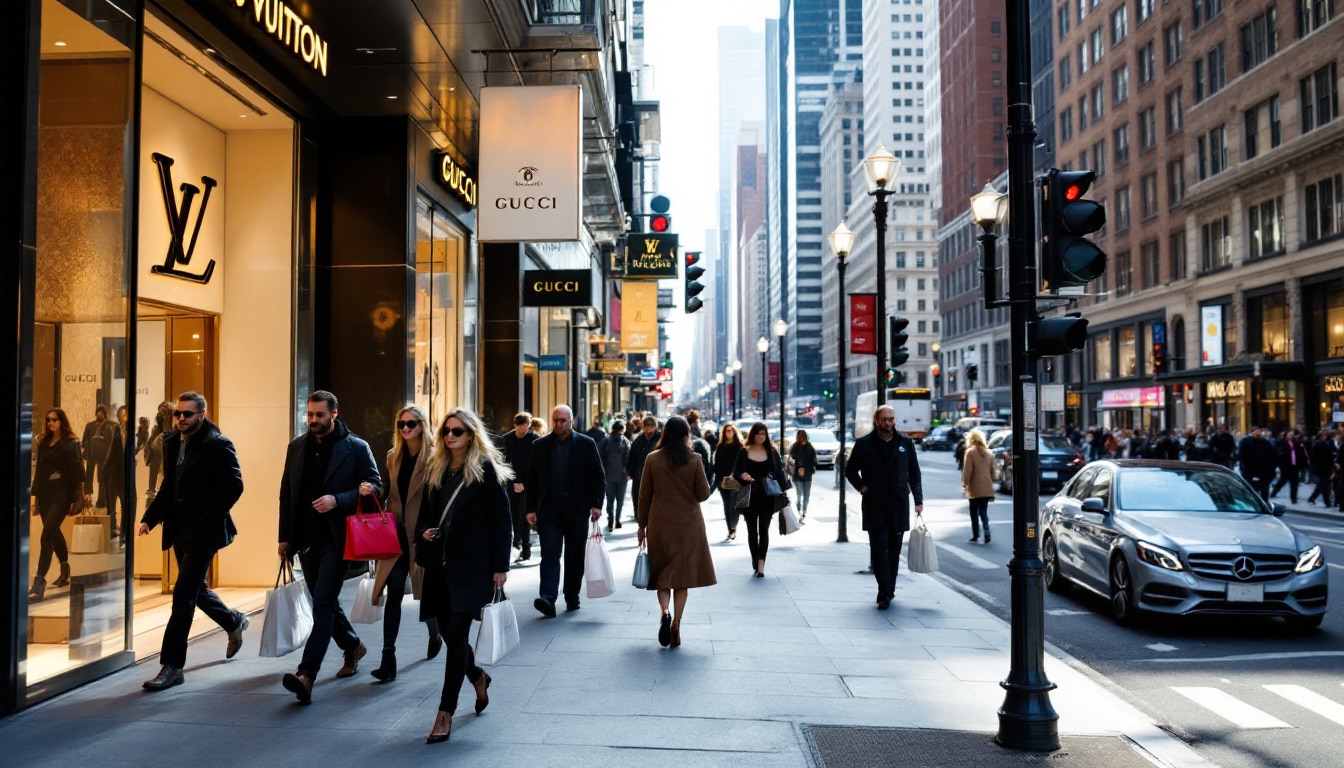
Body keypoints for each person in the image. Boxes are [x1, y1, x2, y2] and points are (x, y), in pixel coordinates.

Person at [138, 392, 249, 691]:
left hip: (205, 532)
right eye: (178, 414)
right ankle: (232, 621)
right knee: (195, 590)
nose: (181, 418)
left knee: (183, 595)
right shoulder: (172, 442)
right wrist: (150, 518)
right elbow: (168, 487)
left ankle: (172, 666)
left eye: (188, 414)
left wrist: (208, 518)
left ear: (202, 414)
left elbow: (234, 486)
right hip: (179, 529)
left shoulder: (218, 443)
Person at [277, 390, 382, 703]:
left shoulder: (356, 448)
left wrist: (341, 500)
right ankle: (352, 645)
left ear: (334, 413)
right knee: (323, 602)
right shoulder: (296, 447)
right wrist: (284, 537)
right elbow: (286, 494)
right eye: (309, 415)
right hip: (305, 541)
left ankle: (306, 674)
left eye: (319, 415)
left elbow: (376, 486)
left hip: (339, 539)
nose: (313, 421)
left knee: (322, 603)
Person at [415, 407, 513, 744]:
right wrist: (425, 530)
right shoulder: (436, 468)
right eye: (446, 431)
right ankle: (477, 676)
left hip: (473, 566)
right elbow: (425, 514)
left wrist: (501, 567)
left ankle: (445, 712)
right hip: (440, 566)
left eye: (458, 431)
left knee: (457, 632)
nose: (451, 437)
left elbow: (502, 522)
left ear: (471, 435)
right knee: (450, 635)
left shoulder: (484, 469)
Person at [366, 405, 441, 682]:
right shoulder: (392, 456)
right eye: (401, 425)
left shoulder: (435, 457)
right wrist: (372, 490)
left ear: (422, 425)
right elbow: (386, 491)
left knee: (425, 591)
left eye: (411, 424)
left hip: (421, 534)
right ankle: (388, 658)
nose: (406, 429)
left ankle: (435, 632)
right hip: (395, 532)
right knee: (395, 590)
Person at [636, 415, 715, 648]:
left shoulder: (652, 459)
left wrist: (641, 526)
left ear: (664, 433)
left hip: (659, 523)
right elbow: (703, 494)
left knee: (662, 575)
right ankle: (677, 624)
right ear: (685, 434)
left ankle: (664, 611)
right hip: (688, 525)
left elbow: (644, 495)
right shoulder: (694, 459)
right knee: (682, 579)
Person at [525, 404, 605, 617]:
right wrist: (530, 509)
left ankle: (572, 595)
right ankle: (548, 598)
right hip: (549, 510)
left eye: (563, 420)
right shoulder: (540, 445)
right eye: (555, 420)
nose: (559, 424)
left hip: (577, 510)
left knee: (574, 556)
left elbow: (598, 475)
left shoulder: (586, 444)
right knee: (550, 554)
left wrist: (597, 504)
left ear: (572, 421)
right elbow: (531, 480)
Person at [845, 405, 924, 610]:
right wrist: (862, 487)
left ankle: (889, 588)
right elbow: (850, 470)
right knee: (879, 549)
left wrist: (918, 500)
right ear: (876, 421)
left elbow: (914, 473)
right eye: (884, 419)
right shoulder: (864, 444)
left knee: (894, 550)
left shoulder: (905, 443)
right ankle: (884, 591)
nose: (888, 423)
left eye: (891, 419)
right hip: (874, 504)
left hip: (898, 504)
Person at [29, 409, 85, 602]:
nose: (50, 423)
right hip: (46, 495)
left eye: (54, 419)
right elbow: (40, 472)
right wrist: (35, 497)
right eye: (48, 420)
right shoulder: (44, 443)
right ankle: (64, 566)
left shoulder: (70, 443)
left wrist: (76, 496)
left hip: (61, 495)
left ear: (61, 421)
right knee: (51, 532)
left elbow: (76, 471)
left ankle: (39, 581)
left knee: (46, 535)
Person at [732, 422, 789, 578]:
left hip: (767, 496)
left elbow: (779, 474)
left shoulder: (771, 452)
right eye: (758, 433)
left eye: (763, 434)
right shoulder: (744, 451)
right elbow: (736, 471)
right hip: (749, 495)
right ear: (752, 434)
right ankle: (755, 561)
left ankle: (761, 562)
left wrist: (784, 491)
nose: (761, 436)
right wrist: (743, 475)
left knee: (764, 530)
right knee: (752, 531)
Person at [501, 412, 538, 563]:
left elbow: (536, 463)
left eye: (526, 426)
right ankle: (516, 542)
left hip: (529, 482)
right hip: (511, 481)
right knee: (513, 513)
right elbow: (504, 461)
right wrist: (515, 481)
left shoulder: (534, 439)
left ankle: (526, 547)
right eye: (521, 425)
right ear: (515, 425)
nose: (524, 429)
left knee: (526, 514)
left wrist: (524, 482)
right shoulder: (507, 439)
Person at [960, 430, 994, 544]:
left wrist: (964, 483)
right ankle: (987, 531)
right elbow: (993, 473)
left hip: (974, 487)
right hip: (987, 487)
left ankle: (975, 535)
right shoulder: (989, 453)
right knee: (983, 511)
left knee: (973, 512)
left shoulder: (970, 452)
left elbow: (967, 471)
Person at [712, 423, 745, 541]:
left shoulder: (739, 446)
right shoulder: (721, 446)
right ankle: (730, 529)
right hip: (723, 480)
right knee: (727, 507)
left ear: (734, 432)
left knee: (733, 505)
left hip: (735, 479)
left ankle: (733, 528)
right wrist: (720, 477)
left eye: (730, 430)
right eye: (726, 431)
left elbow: (743, 463)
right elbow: (716, 463)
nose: (728, 433)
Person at [625, 416, 660, 524]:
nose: (648, 430)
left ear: (655, 427)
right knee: (638, 496)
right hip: (640, 474)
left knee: (655, 498)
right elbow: (631, 458)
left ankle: (654, 518)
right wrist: (630, 472)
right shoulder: (638, 441)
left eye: (650, 427)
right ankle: (639, 517)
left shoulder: (660, 438)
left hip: (657, 474)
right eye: (646, 427)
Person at [103, 405, 130, 542]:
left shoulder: (134, 432)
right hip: (114, 474)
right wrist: (105, 472)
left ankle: (124, 534)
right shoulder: (116, 430)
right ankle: (113, 530)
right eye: (123, 415)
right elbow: (111, 453)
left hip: (125, 476)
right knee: (112, 506)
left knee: (125, 506)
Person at [82, 404, 115, 508]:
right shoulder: (90, 425)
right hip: (92, 453)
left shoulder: (110, 425)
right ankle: (88, 497)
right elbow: (85, 439)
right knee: (89, 476)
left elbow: (111, 441)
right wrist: (88, 447)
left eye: (101, 412)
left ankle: (102, 500)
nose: (99, 414)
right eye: (98, 412)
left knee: (102, 477)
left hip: (103, 455)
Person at [600, 420, 631, 531]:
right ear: (622, 429)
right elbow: (629, 459)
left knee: (610, 499)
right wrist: (628, 473)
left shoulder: (605, 441)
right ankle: (617, 519)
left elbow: (601, 458)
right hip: (622, 476)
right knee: (620, 500)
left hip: (608, 476)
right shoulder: (626, 441)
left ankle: (610, 520)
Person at [1270, 429, 1307, 504]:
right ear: (1286, 435)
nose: (1291, 435)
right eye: (1289, 434)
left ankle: (1294, 498)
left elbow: (1300, 452)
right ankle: (1274, 492)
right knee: (1282, 480)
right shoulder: (1281, 442)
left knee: (1294, 482)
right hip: (1285, 465)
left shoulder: (1295, 442)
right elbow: (1278, 452)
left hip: (1294, 465)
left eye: (1292, 434)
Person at [788, 429, 817, 519]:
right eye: (799, 436)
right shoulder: (795, 446)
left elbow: (814, 459)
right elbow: (792, 457)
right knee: (799, 493)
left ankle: (803, 512)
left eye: (803, 436)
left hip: (807, 474)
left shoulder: (810, 447)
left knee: (806, 495)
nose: (801, 438)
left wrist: (811, 467)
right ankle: (798, 508)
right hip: (797, 474)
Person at [1307, 429, 1335, 507]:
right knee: (1325, 485)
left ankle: (1313, 498)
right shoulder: (1320, 445)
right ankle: (1327, 502)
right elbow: (1325, 457)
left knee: (1322, 485)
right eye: (1325, 435)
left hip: (1322, 468)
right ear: (1323, 436)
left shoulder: (1318, 444)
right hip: (1324, 468)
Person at [685, 410, 713, 486]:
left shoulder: (688, 435)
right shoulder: (696, 439)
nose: (699, 425)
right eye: (698, 422)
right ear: (693, 424)